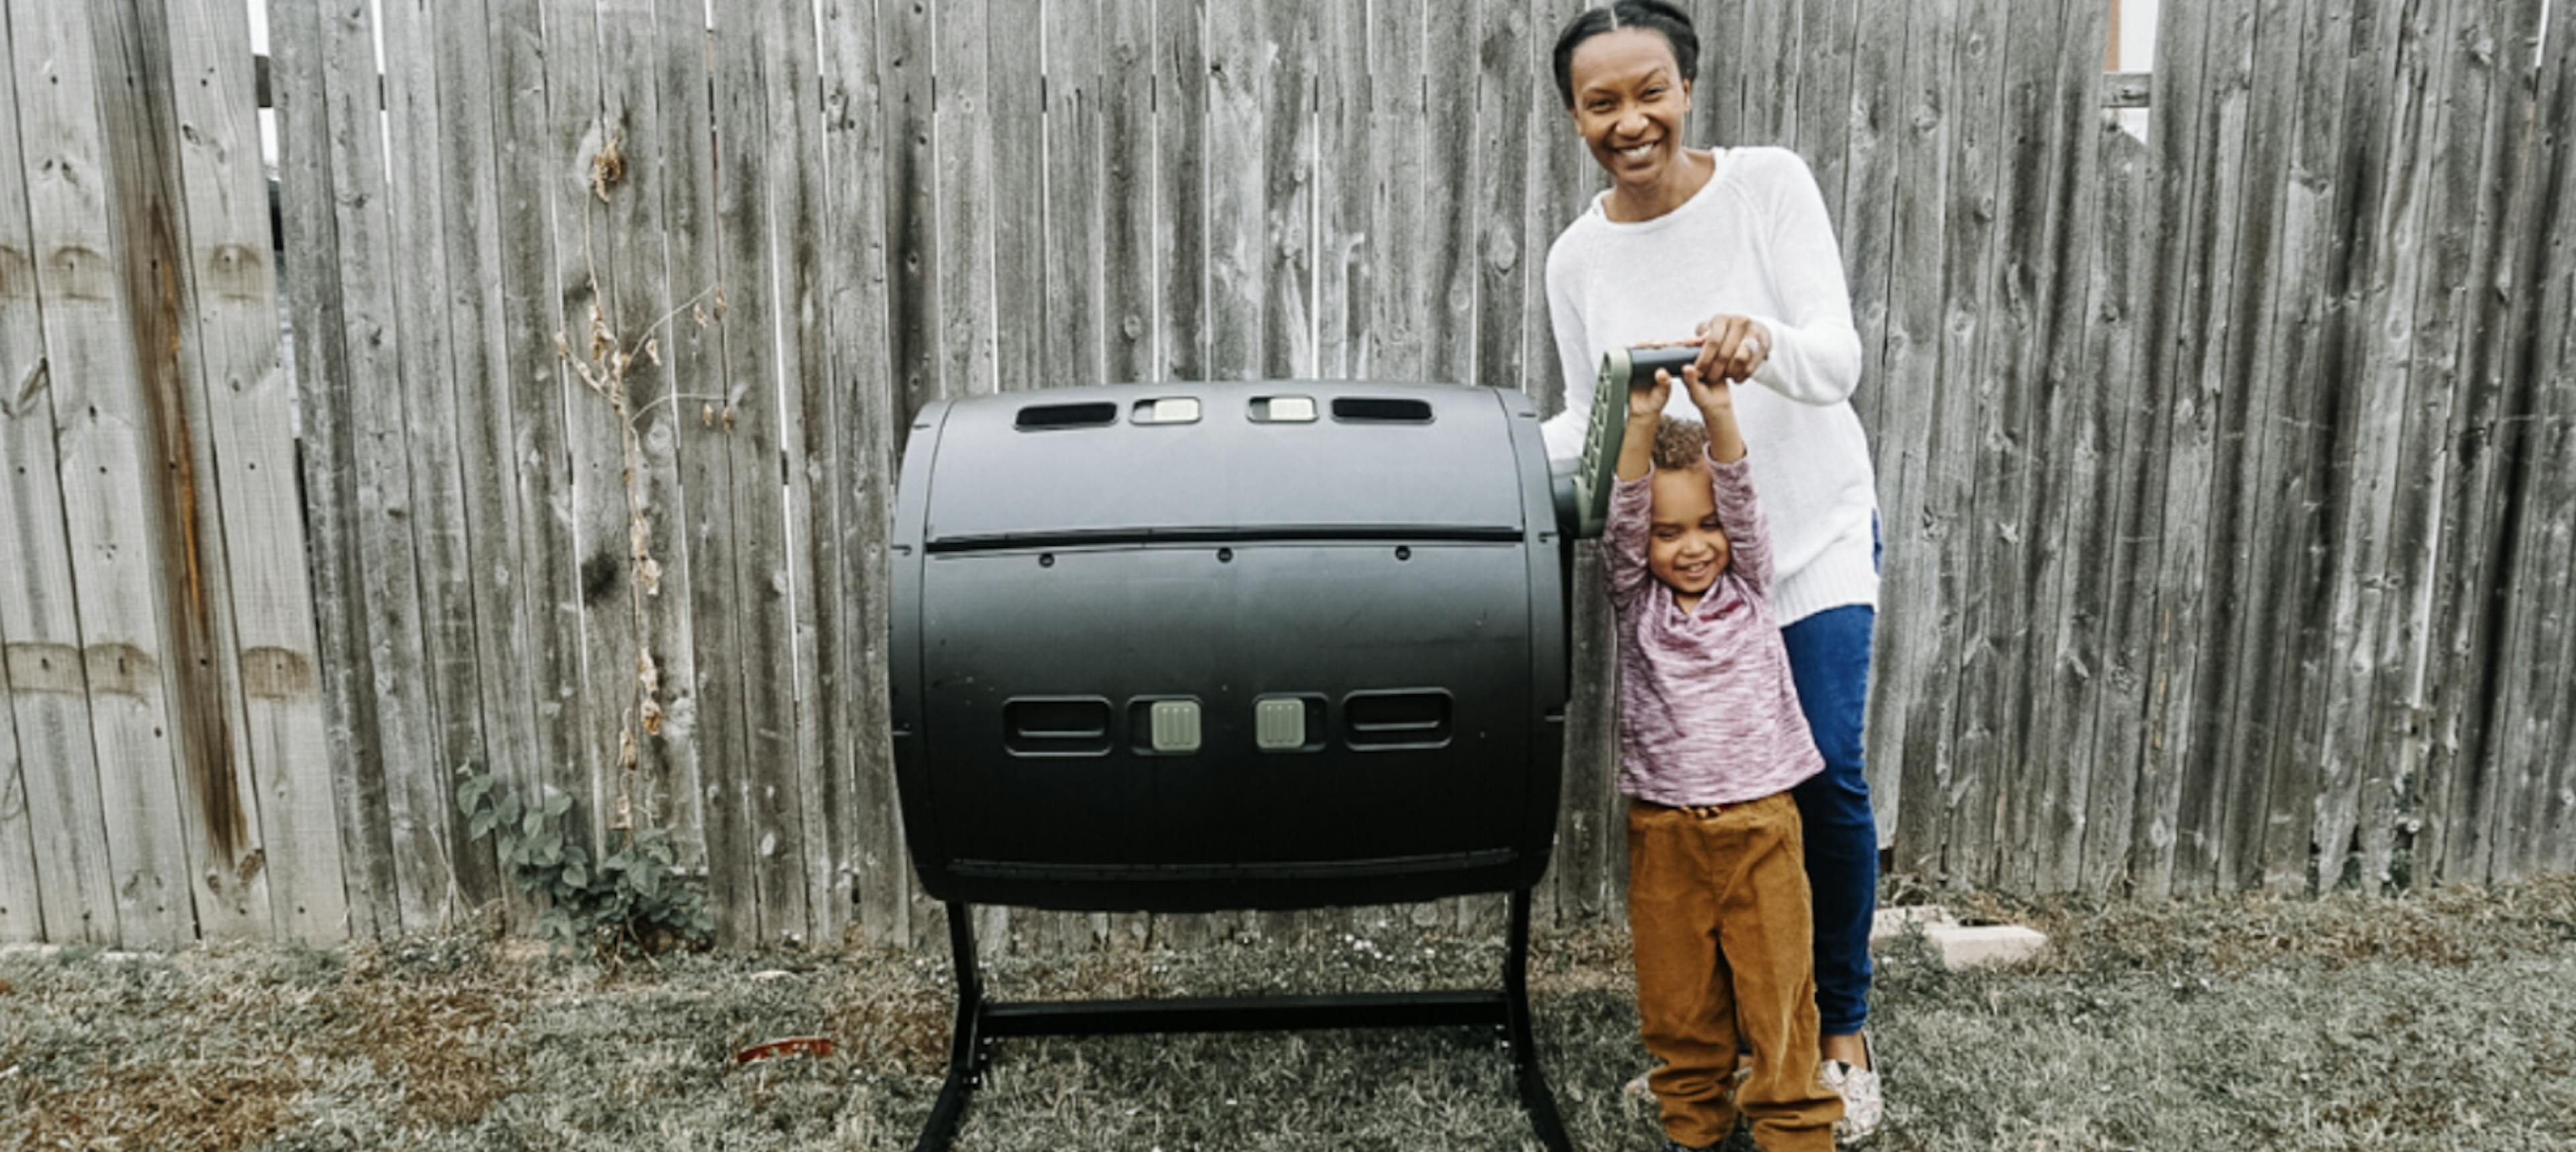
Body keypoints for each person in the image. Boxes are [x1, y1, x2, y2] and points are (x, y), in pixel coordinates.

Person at [1540, 2, 1886, 1145]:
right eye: (1602, 102)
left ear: (1687, 89)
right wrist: (1473, 454)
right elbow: (1588, 422)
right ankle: (1734, 1043)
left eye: (1651, 92)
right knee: (1713, 809)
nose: (1630, 120)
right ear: (1577, 115)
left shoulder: (1768, 186)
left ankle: (1838, 1034)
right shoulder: (1577, 257)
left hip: (1807, 535)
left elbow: (1834, 360)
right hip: (1690, 575)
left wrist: (1763, 343)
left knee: (1822, 772)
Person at [1607, 363, 1841, 1152]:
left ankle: (1793, 1131)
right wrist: (1641, 422)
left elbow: (1738, 491)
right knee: (1679, 1004)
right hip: (1666, 833)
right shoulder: (1635, 601)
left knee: (1778, 996)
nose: (1694, 545)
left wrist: (1715, 410)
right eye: (1668, 532)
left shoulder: (1750, 588)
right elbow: (1623, 514)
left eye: (1705, 525)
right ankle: (1694, 1130)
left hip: (1761, 827)